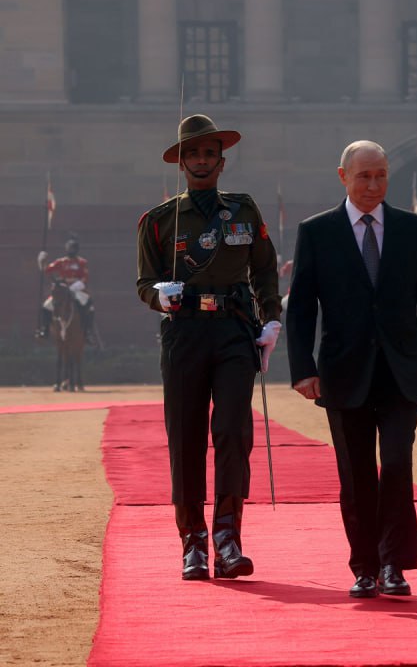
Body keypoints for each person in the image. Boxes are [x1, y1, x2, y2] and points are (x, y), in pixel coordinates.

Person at [286, 140, 417, 599]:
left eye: (381, 175)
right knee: (356, 472)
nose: (374, 185)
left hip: (401, 368)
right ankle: (365, 567)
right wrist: (302, 368)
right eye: (364, 176)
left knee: (397, 464)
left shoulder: (412, 228)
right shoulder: (317, 231)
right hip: (343, 371)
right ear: (343, 176)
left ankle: (393, 564)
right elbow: (301, 306)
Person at [135, 114, 282, 581]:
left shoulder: (243, 210)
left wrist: (272, 318)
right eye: (193, 154)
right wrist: (159, 296)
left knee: (234, 431)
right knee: (186, 436)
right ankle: (193, 541)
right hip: (185, 333)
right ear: (181, 163)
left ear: (222, 161)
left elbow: (264, 268)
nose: (201, 160)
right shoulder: (159, 220)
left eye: (209, 153)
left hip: (234, 330)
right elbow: (143, 282)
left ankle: (228, 538)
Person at [37, 235, 97, 345]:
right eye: (69, 248)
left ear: (76, 249)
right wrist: (42, 261)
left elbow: (84, 278)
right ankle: (45, 330)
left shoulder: (82, 262)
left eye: (72, 249)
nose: (71, 250)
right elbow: (47, 270)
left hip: (76, 289)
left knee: (89, 306)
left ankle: (88, 332)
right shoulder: (61, 262)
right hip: (62, 290)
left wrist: (73, 286)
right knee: (46, 306)